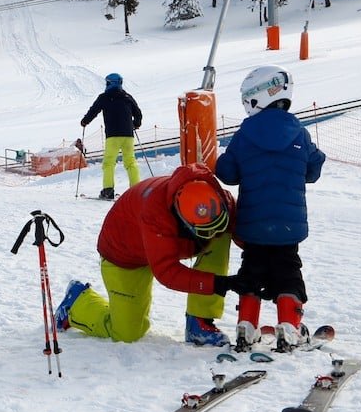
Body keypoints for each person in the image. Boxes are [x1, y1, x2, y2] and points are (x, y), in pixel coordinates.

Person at [53, 163, 244, 346]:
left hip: (166, 241)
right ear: (184, 222)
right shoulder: (156, 214)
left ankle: (199, 322)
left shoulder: (221, 200)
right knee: (127, 334)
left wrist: (261, 264)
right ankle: (77, 303)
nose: (212, 235)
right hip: (126, 255)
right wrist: (220, 283)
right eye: (205, 231)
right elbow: (167, 272)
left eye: (216, 226)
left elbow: (242, 230)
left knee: (222, 234)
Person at [215, 65, 327, 351]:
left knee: (252, 270)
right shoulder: (299, 133)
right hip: (289, 225)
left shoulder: (245, 133)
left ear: (257, 97)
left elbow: (228, 173)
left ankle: (246, 326)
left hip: (253, 223)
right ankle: (289, 326)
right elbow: (313, 171)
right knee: (287, 270)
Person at [79, 73, 143, 199]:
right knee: (130, 161)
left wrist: (85, 121)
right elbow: (138, 113)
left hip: (113, 135)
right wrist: (135, 124)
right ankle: (136, 189)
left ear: (109, 83)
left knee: (109, 163)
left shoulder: (104, 97)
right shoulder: (127, 97)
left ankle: (108, 191)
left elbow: (94, 110)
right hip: (128, 135)